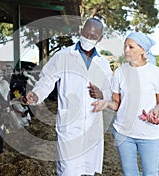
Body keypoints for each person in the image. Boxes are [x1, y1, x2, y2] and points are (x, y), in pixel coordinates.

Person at [23, 18, 112, 176]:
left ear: (100, 38)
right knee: (68, 170)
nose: (88, 38)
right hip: (69, 125)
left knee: (89, 171)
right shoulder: (63, 56)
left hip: (93, 126)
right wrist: (36, 95)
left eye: (93, 36)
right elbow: (47, 79)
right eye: (86, 34)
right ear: (80, 32)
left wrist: (102, 94)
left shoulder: (103, 63)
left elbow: (111, 91)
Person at [92, 31, 159, 176]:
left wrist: (156, 110)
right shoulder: (120, 72)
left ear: (142, 50)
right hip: (123, 133)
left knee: (150, 173)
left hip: (148, 134)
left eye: (131, 47)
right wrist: (106, 103)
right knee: (129, 173)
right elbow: (117, 104)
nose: (126, 50)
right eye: (125, 46)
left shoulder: (155, 72)